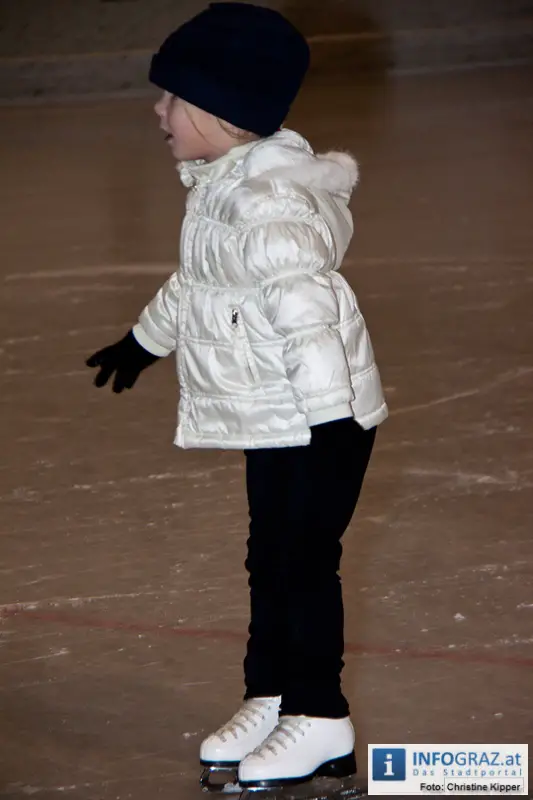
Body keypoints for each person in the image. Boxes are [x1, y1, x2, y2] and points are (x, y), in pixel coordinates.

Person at [86, 2, 388, 789]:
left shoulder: (268, 210)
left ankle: (320, 715)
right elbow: (198, 283)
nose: (158, 110)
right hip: (276, 416)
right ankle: (273, 693)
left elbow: (309, 320)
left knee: (302, 562)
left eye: (172, 99)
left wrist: (329, 423)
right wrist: (144, 342)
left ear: (220, 113)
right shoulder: (223, 188)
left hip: (319, 416)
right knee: (269, 558)